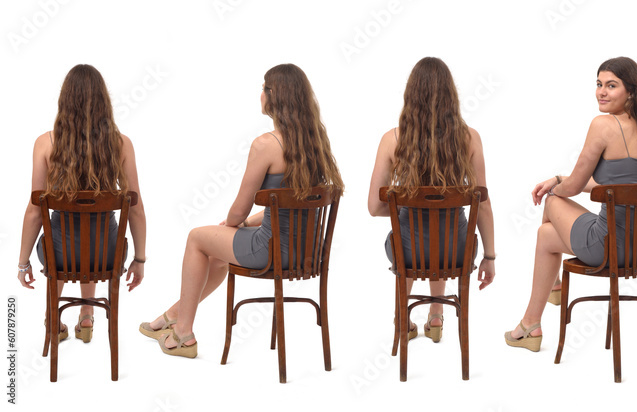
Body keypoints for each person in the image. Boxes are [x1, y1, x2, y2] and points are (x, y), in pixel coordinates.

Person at [141, 64, 344, 358]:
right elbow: (289, 207)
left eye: (264, 88)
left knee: (197, 238)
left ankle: (183, 335)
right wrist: (246, 223)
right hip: (307, 253)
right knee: (216, 253)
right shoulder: (316, 144)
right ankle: (173, 315)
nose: (260, 94)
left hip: (270, 252)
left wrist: (235, 222)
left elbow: (238, 210)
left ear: (274, 96)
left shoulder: (266, 144)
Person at [504, 57, 637, 351]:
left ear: (631, 91)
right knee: (546, 236)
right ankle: (530, 322)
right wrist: (561, 178)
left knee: (552, 201)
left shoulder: (603, 125)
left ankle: (550, 294)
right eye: (599, 84)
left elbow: (572, 188)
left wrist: (557, 185)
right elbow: (613, 187)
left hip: (608, 247)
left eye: (611, 86)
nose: (601, 92)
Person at [367, 57, 497, 343]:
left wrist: (408, 208)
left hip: (408, 252)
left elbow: (374, 207)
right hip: (457, 251)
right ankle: (436, 315)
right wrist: (489, 257)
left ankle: (402, 316)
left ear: (411, 94)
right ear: (451, 95)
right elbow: (484, 204)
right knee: (441, 236)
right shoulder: (470, 138)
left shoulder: (392, 140)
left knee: (409, 238)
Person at [16, 64, 147, 344]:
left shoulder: (45, 144)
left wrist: (23, 262)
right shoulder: (121, 144)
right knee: (92, 237)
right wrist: (139, 259)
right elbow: (135, 208)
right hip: (107, 254)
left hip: (59, 255)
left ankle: (53, 317)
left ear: (65, 100)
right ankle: (87, 314)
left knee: (60, 242)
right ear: (103, 101)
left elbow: (34, 212)